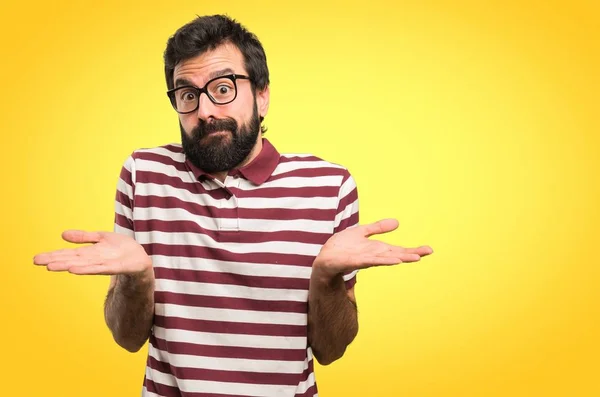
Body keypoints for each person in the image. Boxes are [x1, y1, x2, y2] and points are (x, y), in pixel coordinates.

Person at [33, 14, 433, 397]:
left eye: (222, 89)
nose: (205, 110)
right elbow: (127, 338)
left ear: (262, 95)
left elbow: (331, 350)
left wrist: (326, 277)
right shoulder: (144, 174)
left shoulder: (329, 185)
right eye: (187, 94)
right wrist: (137, 278)